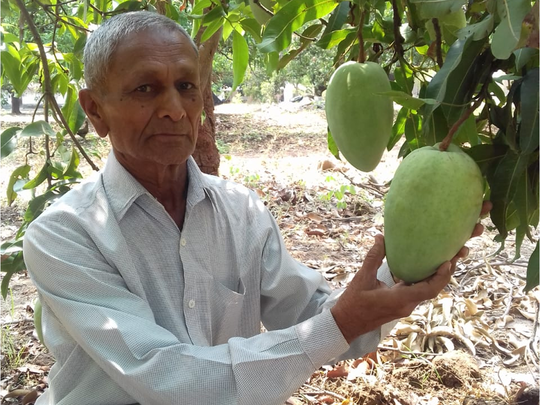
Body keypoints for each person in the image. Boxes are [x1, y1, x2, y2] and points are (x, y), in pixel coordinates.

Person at [23, 11, 490, 405]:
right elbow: (163, 377)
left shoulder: (240, 211)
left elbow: (317, 318)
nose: (174, 109)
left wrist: (413, 264)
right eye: (145, 89)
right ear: (95, 110)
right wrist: (340, 323)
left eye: (187, 86)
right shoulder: (64, 235)